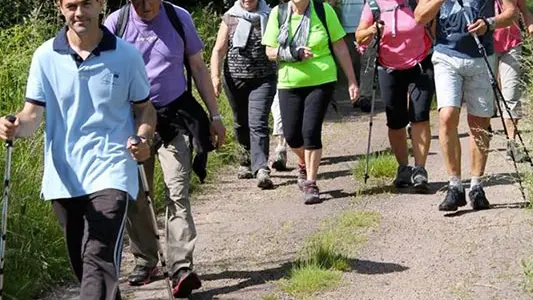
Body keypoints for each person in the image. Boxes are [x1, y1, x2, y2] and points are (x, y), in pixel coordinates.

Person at [0, 0, 157, 299]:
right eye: (71, 5)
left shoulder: (126, 55)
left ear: (101, 5)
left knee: (98, 255)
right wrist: (14, 126)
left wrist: (144, 138)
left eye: (87, 4)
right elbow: (32, 115)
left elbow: (145, 109)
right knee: (85, 264)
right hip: (64, 176)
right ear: (60, 7)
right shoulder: (45, 56)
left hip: (113, 169)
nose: (79, 12)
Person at [104, 0, 226, 297]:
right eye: (137, 1)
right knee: (135, 195)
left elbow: (197, 66)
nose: (144, 6)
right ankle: (147, 259)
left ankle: (181, 266)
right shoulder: (115, 24)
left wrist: (215, 115)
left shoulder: (178, 17)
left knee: (177, 191)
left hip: (176, 119)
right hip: (132, 121)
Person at [415, 0, 517, 211]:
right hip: (446, 56)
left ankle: (476, 186)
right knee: (447, 116)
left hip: (482, 57)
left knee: (479, 122)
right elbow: (419, 16)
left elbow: (512, 13)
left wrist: (488, 24)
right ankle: (454, 186)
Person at [263, 0, 359, 204]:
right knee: (291, 136)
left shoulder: (324, 11)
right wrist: (293, 53)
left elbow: (340, 46)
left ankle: (310, 183)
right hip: (289, 82)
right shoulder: (278, 14)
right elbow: (270, 51)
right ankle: (304, 162)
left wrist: (351, 80)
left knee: (310, 131)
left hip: (322, 80)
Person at [355, 0, 435, 192]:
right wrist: (373, 29)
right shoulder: (374, 5)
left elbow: (434, 24)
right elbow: (359, 36)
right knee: (396, 121)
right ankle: (403, 168)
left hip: (421, 64)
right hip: (388, 68)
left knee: (420, 116)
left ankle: (420, 170)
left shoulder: (418, 2)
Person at [211, 0, 278, 188]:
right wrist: (214, 77)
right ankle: (244, 161)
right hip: (235, 79)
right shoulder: (230, 17)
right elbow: (218, 50)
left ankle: (261, 168)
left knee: (258, 122)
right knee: (241, 121)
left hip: (264, 78)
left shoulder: (271, 15)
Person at [493, 0, 533, 162]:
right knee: (487, 95)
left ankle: (512, 142)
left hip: (512, 44)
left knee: (511, 93)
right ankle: (482, 133)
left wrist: (530, 26)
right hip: (486, 45)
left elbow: (523, 10)